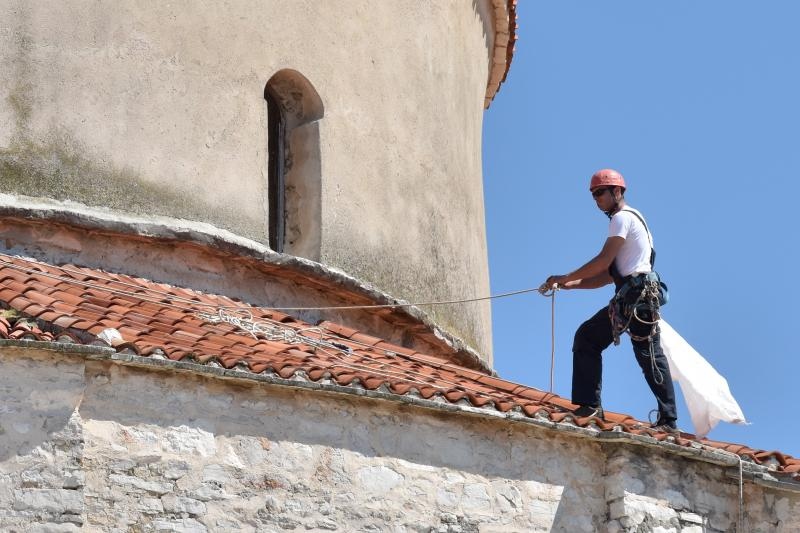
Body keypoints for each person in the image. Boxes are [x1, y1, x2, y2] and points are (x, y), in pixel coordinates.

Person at [539, 169, 678, 431]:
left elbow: (603, 261)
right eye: (593, 194)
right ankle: (591, 407)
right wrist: (569, 285)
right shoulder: (627, 220)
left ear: (618, 192)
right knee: (588, 337)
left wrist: (564, 276)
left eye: (600, 192)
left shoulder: (622, 218)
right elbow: (606, 276)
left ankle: (669, 421)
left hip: (637, 298)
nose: (596, 198)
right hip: (630, 298)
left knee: (648, 354)